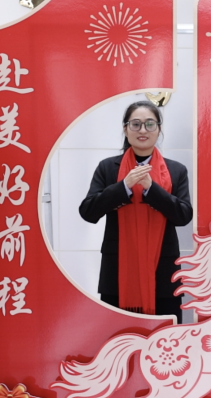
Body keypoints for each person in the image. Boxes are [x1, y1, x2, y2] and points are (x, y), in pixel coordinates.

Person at [79, 101, 193, 320]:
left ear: (159, 129)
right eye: (136, 124)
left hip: (162, 272)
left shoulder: (176, 170)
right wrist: (124, 186)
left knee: (165, 337)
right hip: (118, 273)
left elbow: (183, 216)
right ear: (125, 129)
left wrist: (152, 188)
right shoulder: (107, 168)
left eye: (150, 124)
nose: (143, 130)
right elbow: (88, 212)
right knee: (120, 332)